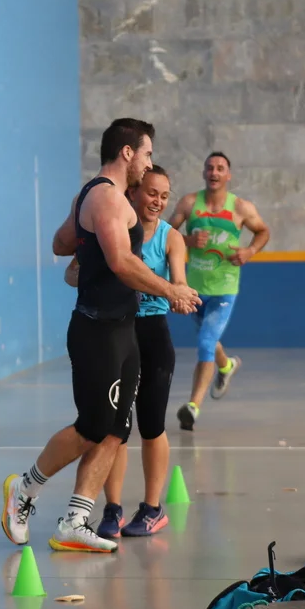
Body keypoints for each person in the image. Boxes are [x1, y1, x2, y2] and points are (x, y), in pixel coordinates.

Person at [0, 118, 200, 553]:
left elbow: (61, 243)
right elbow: (121, 263)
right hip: (98, 332)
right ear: (127, 152)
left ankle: (75, 520)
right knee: (92, 427)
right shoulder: (106, 197)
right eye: (146, 153)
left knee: (116, 430)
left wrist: (85, 249)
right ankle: (25, 488)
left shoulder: (99, 199)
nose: (148, 163)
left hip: (124, 329)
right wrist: (171, 290)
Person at [64, 166, 187, 538]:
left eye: (164, 196)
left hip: (153, 335)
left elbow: (179, 282)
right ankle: (112, 508)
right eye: (151, 193)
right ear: (133, 193)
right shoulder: (113, 228)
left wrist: (176, 293)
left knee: (151, 425)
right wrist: (95, 274)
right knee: (115, 427)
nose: (157, 201)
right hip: (118, 332)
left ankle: (152, 508)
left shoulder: (170, 238)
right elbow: (72, 272)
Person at [166, 151, 270, 431]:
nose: (214, 172)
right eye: (210, 167)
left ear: (228, 175)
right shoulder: (189, 203)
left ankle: (193, 407)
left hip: (224, 288)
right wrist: (188, 240)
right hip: (194, 289)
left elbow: (263, 231)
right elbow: (166, 233)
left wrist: (249, 251)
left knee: (205, 341)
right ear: (204, 172)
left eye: (220, 168)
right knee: (208, 338)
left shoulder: (241, 208)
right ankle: (226, 366)